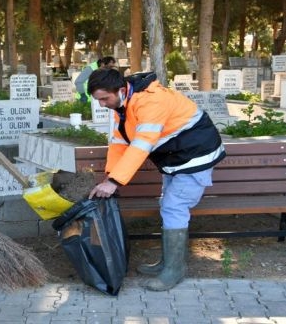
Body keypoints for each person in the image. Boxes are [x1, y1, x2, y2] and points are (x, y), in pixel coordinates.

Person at [86, 68, 226, 291]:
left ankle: (175, 270)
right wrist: (111, 176)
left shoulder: (151, 102)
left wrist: (114, 183)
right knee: (168, 206)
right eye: (98, 100)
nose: (102, 104)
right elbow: (119, 143)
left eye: (104, 98)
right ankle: (168, 263)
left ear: (121, 90)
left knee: (173, 207)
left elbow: (142, 144)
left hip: (196, 155)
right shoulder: (123, 104)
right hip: (176, 158)